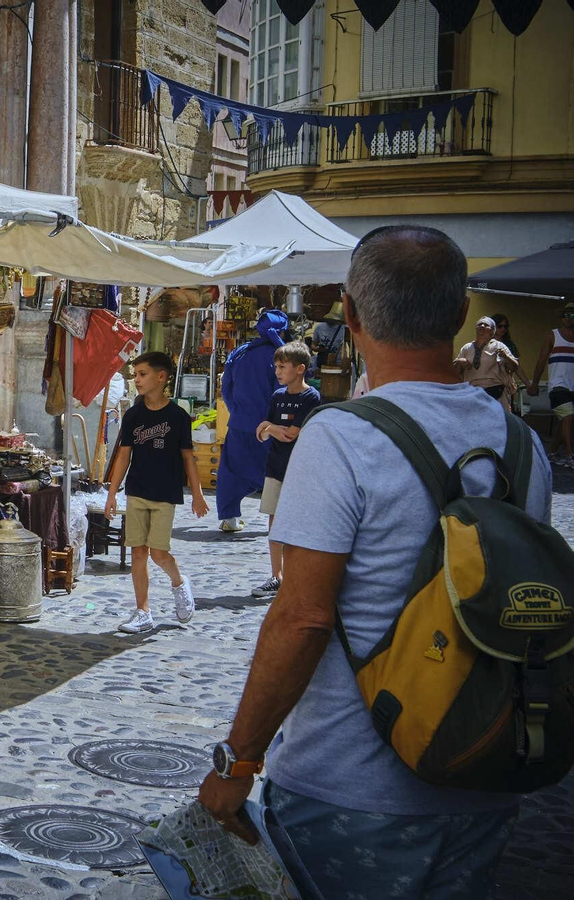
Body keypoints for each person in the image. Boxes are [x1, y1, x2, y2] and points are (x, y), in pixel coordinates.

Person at [197, 226, 552, 898]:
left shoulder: (342, 435)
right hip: (483, 768)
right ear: (457, 315)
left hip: (349, 785)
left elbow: (302, 618)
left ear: (352, 318)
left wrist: (238, 760)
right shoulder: (520, 442)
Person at [103, 351, 208, 634]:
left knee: (159, 553)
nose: (136, 380)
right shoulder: (134, 415)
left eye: (142, 374)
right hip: (137, 490)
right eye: (135, 375)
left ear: (161, 377)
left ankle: (178, 582)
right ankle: (143, 612)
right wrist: (112, 493)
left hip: (166, 492)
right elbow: (123, 456)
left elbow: (188, 457)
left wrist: (197, 494)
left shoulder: (178, 416)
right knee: (138, 552)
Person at [250, 341, 319, 599]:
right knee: (274, 520)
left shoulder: (310, 397)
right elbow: (262, 434)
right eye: (276, 366)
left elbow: (291, 434)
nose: (277, 371)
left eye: (282, 366)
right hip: (275, 467)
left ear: (299, 369)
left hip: (298, 469)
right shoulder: (277, 397)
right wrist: (269, 430)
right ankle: (275, 575)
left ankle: (293, 576)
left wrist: (270, 428)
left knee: (295, 522)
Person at [216, 309, 288, 532]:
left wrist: (236, 411)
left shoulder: (240, 352)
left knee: (231, 469)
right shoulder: (281, 357)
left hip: (239, 423)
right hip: (269, 426)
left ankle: (229, 518)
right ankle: (278, 522)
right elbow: (282, 391)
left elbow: (226, 387)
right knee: (274, 472)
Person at [527, 301, 574, 468]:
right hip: (558, 385)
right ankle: (570, 455)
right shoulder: (552, 335)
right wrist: (535, 384)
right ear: (561, 318)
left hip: (573, 386)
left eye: (572, 315)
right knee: (568, 416)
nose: (569, 318)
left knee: (565, 421)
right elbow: (541, 361)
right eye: (566, 315)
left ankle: (553, 452)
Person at [453, 316, 519, 412]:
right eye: (480, 324)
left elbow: (514, 367)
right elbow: (456, 374)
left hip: (495, 394)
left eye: (486, 325)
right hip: (473, 395)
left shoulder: (499, 346)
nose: (482, 326)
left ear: (492, 331)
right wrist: (459, 362)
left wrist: (505, 356)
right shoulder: (466, 348)